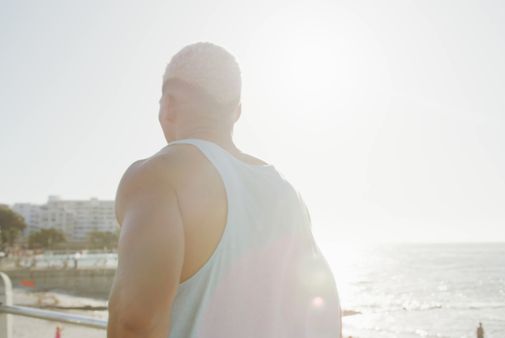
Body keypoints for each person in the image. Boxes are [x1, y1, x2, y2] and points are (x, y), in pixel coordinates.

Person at [107, 42, 342, 338]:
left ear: (169, 104)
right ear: (237, 111)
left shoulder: (158, 175)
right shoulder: (287, 193)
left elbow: (136, 320)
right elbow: (327, 316)